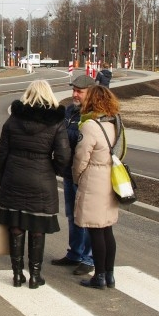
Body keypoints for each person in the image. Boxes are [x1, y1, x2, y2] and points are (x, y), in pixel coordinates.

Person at [0, 80, 71, 288]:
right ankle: (35, 276)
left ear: (28, 94)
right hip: (42, 179)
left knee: (16, 227)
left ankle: (17, 274)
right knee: (38, 227)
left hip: (14, 176)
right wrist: (52, 169)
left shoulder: (13, 120)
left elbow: (2, 152)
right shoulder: (56, 122)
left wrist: (1, 177)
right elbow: (64, 156)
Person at [72, 85, 123, 289]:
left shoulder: (91, 126)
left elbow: (81, 156)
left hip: (95, 177)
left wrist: (77, 176)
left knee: (95, 230)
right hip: (111, 177)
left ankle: (99, 276)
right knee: (107, 229)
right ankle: (109, 274)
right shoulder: (115, 123)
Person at [50, 74, 96, 275]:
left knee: (87, 217)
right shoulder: (69, 111)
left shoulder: (96, 115)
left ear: (91, 93)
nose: (75, 94)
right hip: (70, 173)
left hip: (87, 175)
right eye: (74, 90)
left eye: (80, 91)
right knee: (73, 215)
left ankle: (88, 258)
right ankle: (75, 253)